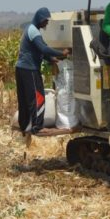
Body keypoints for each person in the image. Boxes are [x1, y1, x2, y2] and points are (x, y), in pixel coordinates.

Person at [15, 7, 69, 136]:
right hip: (30, 69)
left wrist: (51, 59)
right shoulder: (34, 31)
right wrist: (62, 54)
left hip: (21, 68)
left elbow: (38, 51)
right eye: (46, 20)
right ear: (40, 19)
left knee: (24, 98)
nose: (47, 23)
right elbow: (43, 49)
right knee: (38, 97)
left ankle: (24, 125)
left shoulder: (30, 29)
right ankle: (38, 127)